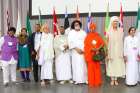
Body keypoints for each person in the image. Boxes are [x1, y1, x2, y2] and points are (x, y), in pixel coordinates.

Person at [106, 16, 125, 86]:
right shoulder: (108, 31)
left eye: (116, 22)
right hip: (111, 51)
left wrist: (122, 52)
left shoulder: (121, 30)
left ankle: (116, 79)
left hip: (119, 51)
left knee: (117, 65)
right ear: (111, 23)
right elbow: (107, 42)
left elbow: (121, 41)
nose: (115, 23)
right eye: (114, 22)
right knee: (112, 65)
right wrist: (107, 52)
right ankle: (112, 79)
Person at [84, 23, 104, 87]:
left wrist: (98, 49)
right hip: (90, 55)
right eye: (91, 28)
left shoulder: (98, 36)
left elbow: (102, 43)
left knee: (97, 69)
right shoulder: (87, 36)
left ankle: (97, 82)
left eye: (94, 28)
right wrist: (91, 49)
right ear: (89, 29)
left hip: (96, 55)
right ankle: (91, 83)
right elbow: (86, 46)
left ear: (95, 29)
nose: (92, 29)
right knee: (90, 70)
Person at [68, 20, 87, 84]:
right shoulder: (71, 33)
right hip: (75, 52)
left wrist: (83, 50)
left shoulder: (83, 32)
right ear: (73, 26)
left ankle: (84, 80)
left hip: (83, 52)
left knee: (83, 65)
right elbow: (70, 42)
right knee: (76, 66)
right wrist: (76, 49)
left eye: (78, 24)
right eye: (75, 25)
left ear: (80, 25)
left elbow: (86, 42)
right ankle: (77, 80)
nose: (77, 25)